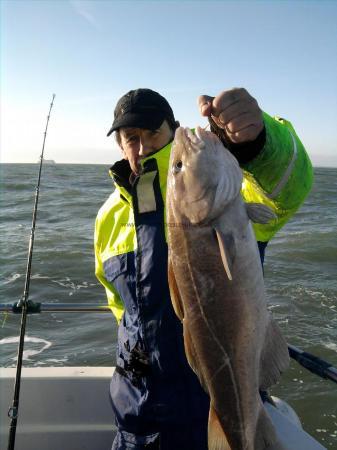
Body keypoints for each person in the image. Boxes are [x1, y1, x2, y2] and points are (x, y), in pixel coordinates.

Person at [94, 88, 313, 450]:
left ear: (171, 131)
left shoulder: (229, 192)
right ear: (119, 144)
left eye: (153, 133)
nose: (142, 146)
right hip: (135, 419)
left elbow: (288, 188)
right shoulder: (107, 217)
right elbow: (119, 306)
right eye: (131, 137)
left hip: (203, 409)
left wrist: (257, 144)